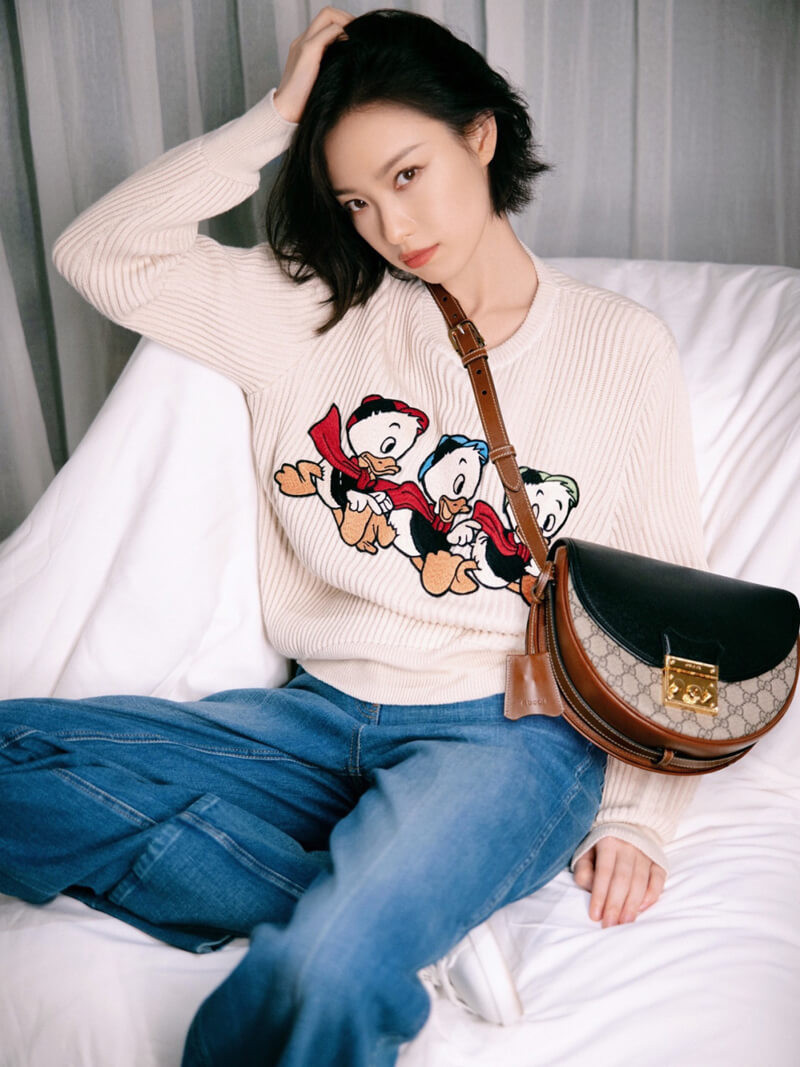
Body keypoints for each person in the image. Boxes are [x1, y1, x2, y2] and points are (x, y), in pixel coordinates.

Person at [0, 7, 709, 1066]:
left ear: (480, 135)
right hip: (314, 716)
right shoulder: (309, 312)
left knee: (319, 972)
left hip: (506, 735)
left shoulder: (618, 345)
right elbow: (95, 251)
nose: (391, 224)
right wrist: (274, 119)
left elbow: (671, 596)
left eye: (408, 173)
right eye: (356, 201)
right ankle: (382, 912)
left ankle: (362, 924)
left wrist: (642, 813)